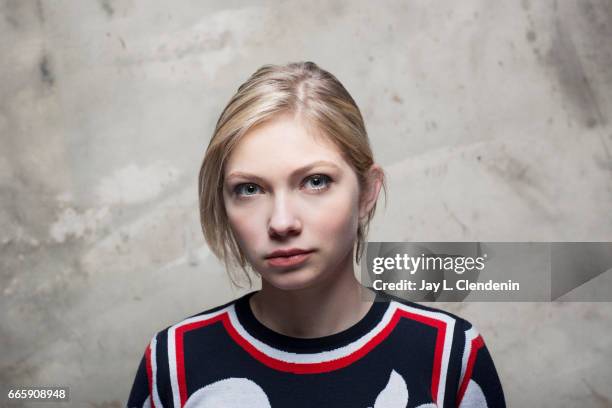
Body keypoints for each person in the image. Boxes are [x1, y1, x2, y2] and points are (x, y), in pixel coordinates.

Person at [127, 61, 505, 408]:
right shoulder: (174, 362)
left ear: (367, 192)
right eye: (249, 189)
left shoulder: (447, 353)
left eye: (315, 181)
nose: (281, 222)